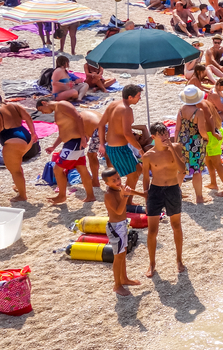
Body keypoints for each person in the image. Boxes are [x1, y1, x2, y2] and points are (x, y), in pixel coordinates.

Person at [140, 122, 187, 277]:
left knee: (176, 226)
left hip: (173, 189)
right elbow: (146, 179)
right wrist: (146, 197)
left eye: (166, 133)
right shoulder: (148, 156)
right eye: (161, 135)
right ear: (153, 137)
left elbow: (182, 169)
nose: (165, 137)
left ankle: (179, 259)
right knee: (152, 230)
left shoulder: (177, 147)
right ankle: (152, 264)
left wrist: (172, 148)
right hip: (155, 191)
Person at [35, 97, 96, 203]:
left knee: (57, 169)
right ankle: (90, 196)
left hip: (74, 142)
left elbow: (79, 118)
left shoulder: (62, 104)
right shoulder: (58, 110)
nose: (43, 113)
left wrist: (83, 138)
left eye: (41, 110)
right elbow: (63, 132)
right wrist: (54, 146)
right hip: (71, 142)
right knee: (81, 168)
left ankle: (62, 196)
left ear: (44, 103)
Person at [101, 168, 141, 296]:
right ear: (107, 183)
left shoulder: (118, 188)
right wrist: (125, 197)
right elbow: (118, 211)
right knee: (118, 257)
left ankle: (124, 279)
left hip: (122, 225)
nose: (118, 181)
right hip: (115, 228)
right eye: (114, 180)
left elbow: (127, 190)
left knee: (123, 254)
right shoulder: (108, 194)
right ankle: (117, 285)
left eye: (118, 178)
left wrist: (143, 194)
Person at [0, 94, 37, 202]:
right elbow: (28, 117)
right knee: (17, 165)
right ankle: (18, 185)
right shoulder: (14, 106)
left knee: (15, 170)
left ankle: (22, 195)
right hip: (26, 137)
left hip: (13, 141)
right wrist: (33, 133)